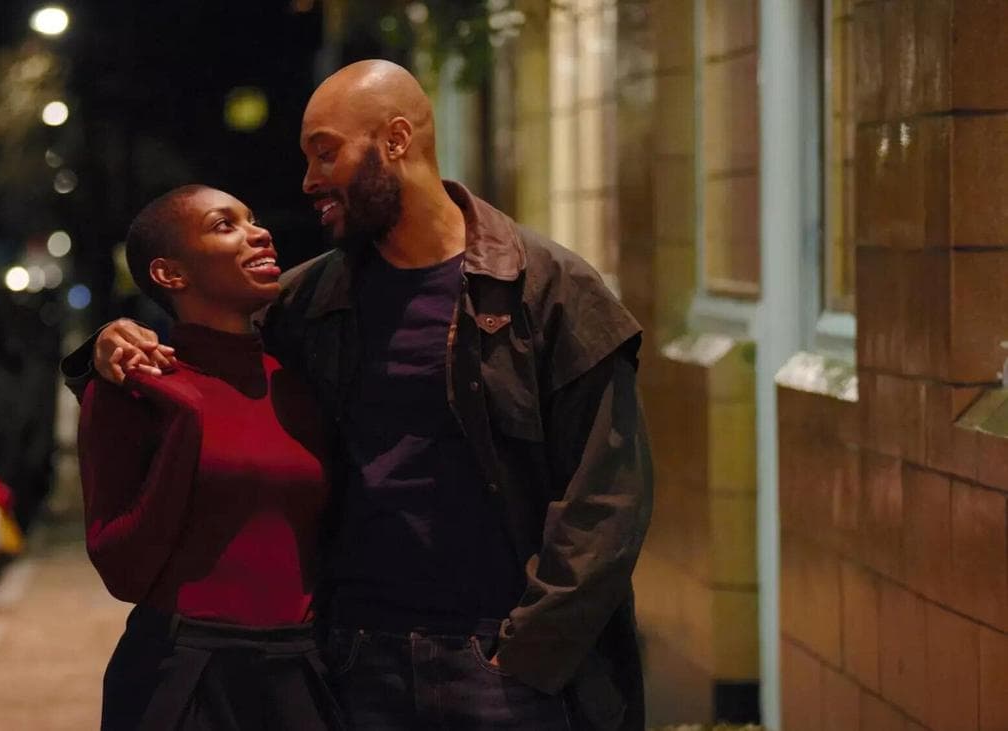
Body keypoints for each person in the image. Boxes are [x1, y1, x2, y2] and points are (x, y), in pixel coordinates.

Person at [66, 60, 653, 731]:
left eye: (326, 152)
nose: (310, 181)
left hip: (502, 668)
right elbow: (205, 358)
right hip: (348, 664)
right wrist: (110, 345)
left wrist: (530, 651)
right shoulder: (307, 299)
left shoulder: (549, 289)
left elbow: (610, 497)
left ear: (395, 141)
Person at [77, 185, 340, 730]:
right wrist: (185, 425)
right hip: (183, 676)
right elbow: (120, 566)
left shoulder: (299, 382)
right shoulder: (133, 388)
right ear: (171, 274)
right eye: (225, 226)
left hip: (299, 670)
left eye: (253, 219)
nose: (259, 233)